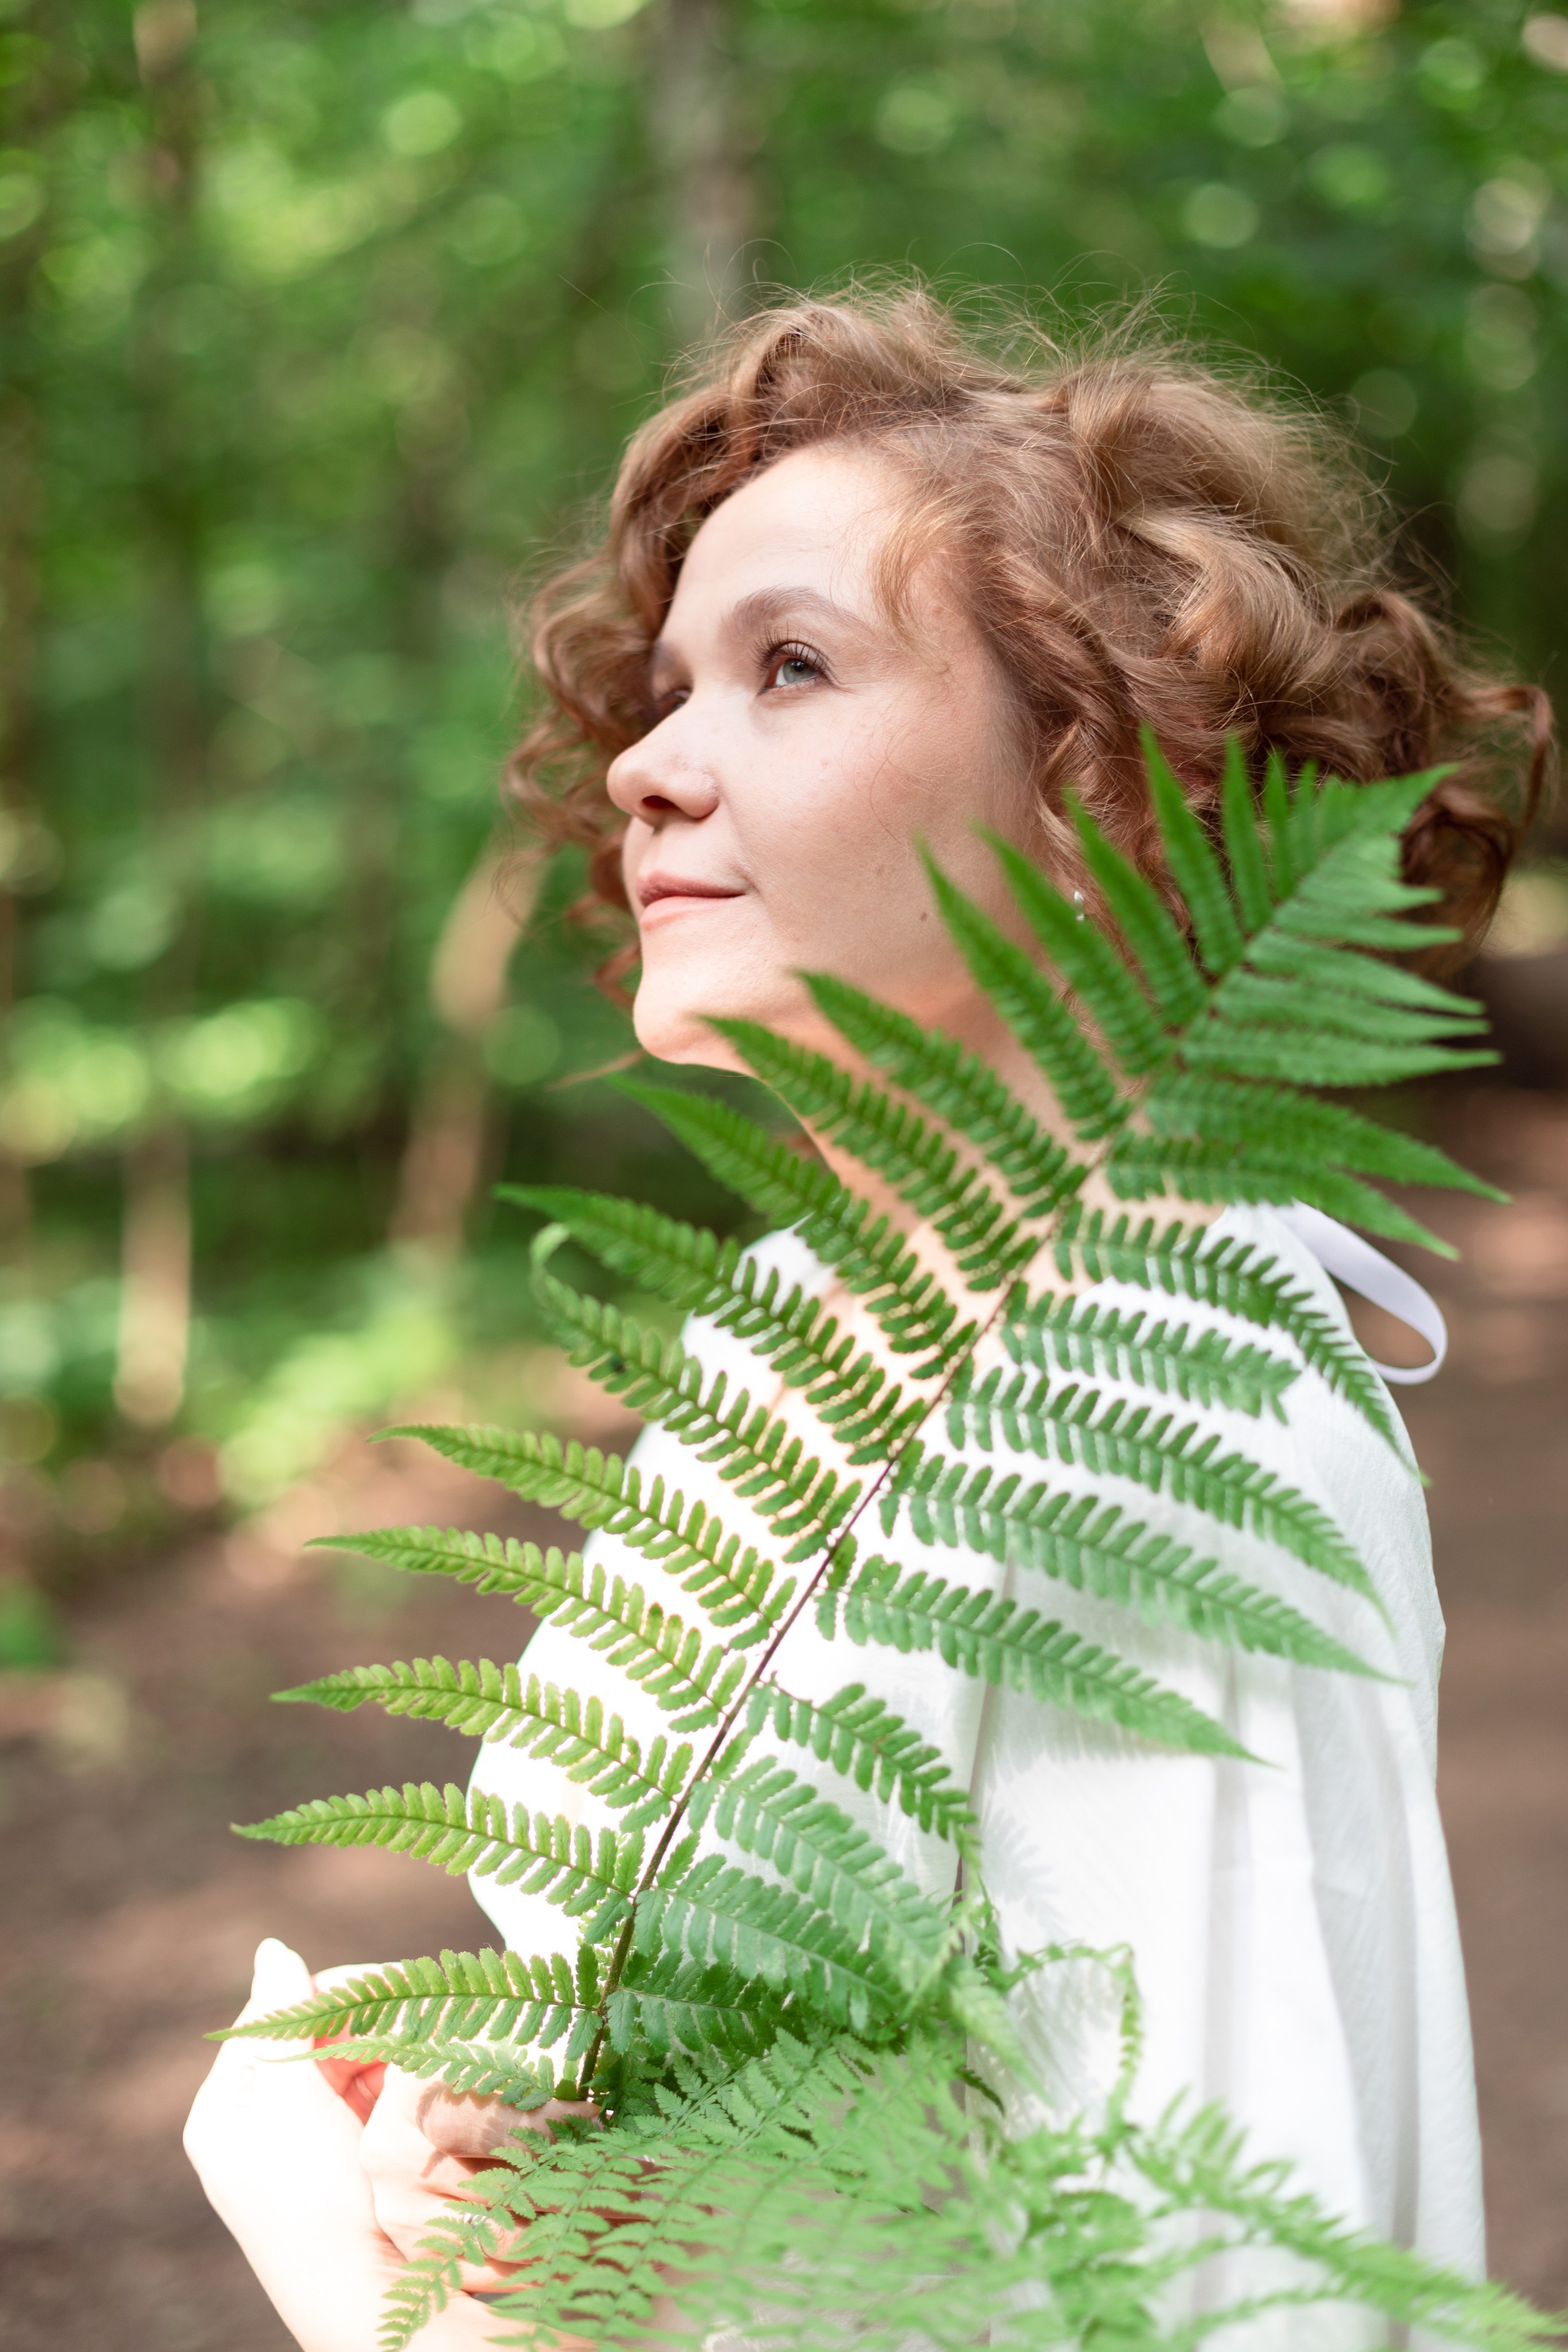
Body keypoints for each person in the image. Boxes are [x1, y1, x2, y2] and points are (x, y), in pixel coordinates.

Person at [186, 288, 1551, 2350]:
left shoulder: (1158, 1422)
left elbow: (1235, 2283)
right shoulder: (802, 1323)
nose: (645, 762)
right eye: (663, 689)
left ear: (1103, 800)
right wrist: (502, 2145)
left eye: (791, 667)